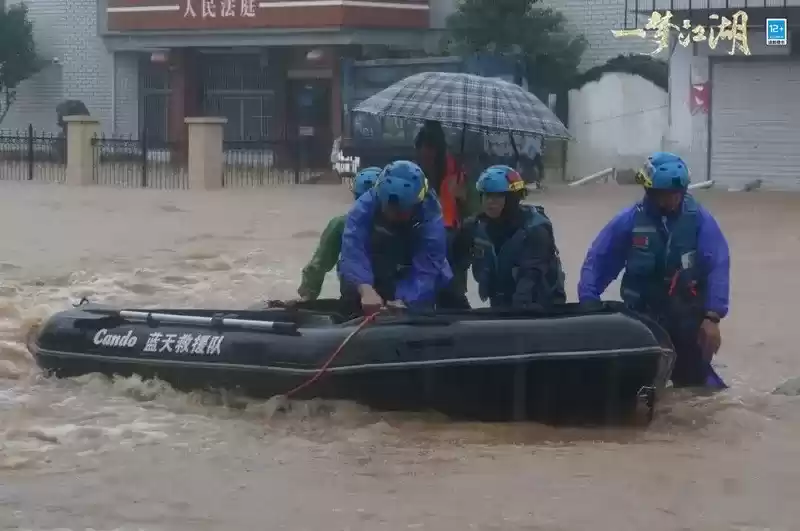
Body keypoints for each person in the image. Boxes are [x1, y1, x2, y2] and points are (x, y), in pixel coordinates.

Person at [577, 152, 730, 389]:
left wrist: (713, 317)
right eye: (665, 194)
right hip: (641, 320)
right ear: (649, 190)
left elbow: (718, 266)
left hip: (686, 320)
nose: (672, 199)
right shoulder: (629, 221)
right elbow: (597, 261)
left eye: (677, 194)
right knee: (633, 387)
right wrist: (589, 303)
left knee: (702, 393)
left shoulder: (700, 220)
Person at [338, 160, 452, 316]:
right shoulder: (363, 208)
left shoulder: (431, 218)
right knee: (348, 278)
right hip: (377, 265)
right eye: (388, 209)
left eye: (399, 212)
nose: (392, 216)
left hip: (409, 267)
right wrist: (365, 288)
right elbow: (353, 249)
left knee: (440, 278)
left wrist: (406, 299)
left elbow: (428, 267)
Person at [453, 164, 567, 309]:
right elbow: (453, 266)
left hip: (540, 305)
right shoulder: (473, 227)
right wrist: (457, 300)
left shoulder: (536, 230)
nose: (490, 202)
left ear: (512, 199)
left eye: (497, 196)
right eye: (487, 195)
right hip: (500, 302)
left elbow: (529, 280)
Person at [294, 167, 382, 302]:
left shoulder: (341, 223)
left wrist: (307, 296)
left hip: (354, 297)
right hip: (396, 299)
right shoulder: (405, 222)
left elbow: (319, 264)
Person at [414, 120, 472, 309]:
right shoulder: (418, 171)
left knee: (450, 284)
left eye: (429, 147)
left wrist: (461, 193)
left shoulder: (455, 169)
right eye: (422, 147)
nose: (425, 152)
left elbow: (466, 203)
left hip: (449, 231)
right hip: (432, 230)